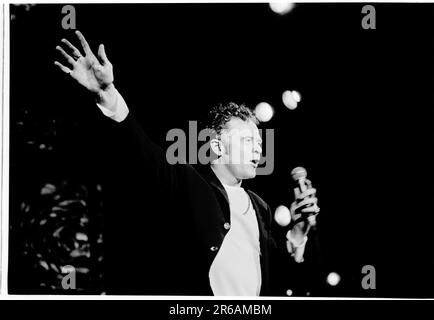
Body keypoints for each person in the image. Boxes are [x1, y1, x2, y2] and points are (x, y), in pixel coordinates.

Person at [54, 31, 320, 296]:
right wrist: (107, 93)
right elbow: (141, 150)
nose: (258, 147)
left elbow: (275, 281)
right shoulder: (189, 183)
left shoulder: (261, 208)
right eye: (247, 139)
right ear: (218, 147)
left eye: (259, 141)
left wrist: (298, 233)